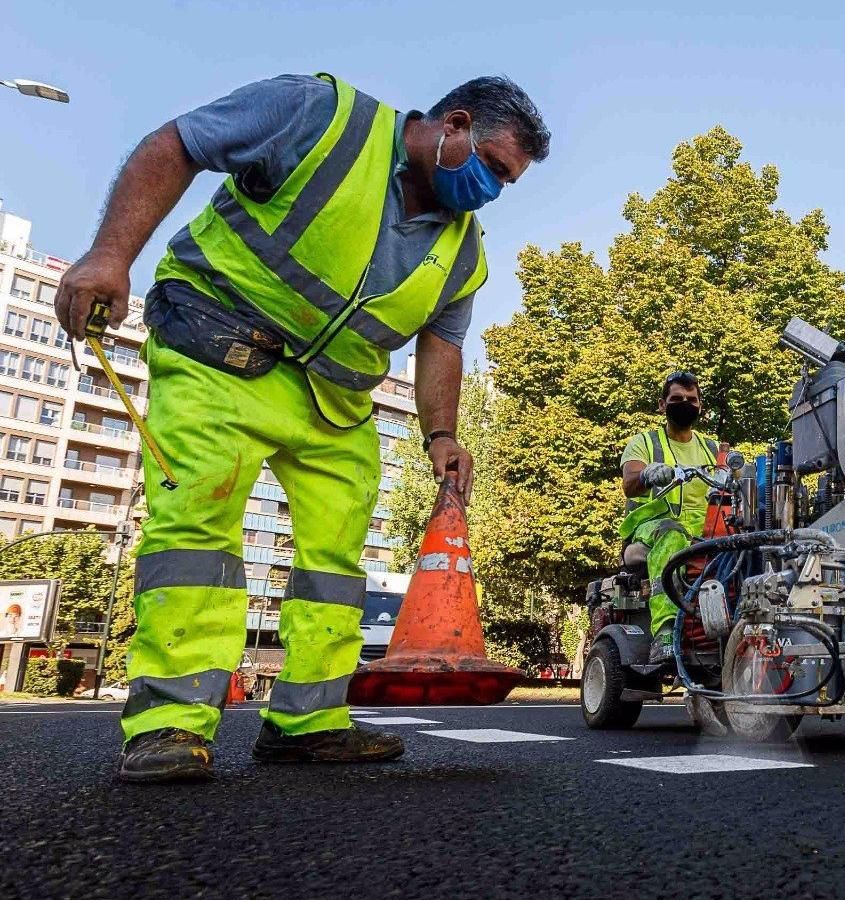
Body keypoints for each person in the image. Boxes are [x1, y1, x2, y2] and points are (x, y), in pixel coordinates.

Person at [55, 73, 550, 783]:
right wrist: (110, 255)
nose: (491, 190)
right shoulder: (320, 116)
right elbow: (177, 144)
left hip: (334, 401)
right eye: (493, 168)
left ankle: (309, 721)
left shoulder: (464, 253)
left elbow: (442, 343)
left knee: (335, 564)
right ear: (456, 125)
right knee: (196, 530)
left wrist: (441, 435)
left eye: (507, 183)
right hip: (219, 352)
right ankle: (170, 722)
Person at [618, 372, 720, 664]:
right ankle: (665, 631)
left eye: (692, 399)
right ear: (662, 404)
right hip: (651, 529)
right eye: (677, 399)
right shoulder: (644, 443)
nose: (685, 403)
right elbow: (630, 483)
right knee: (672, 535)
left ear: (700, 406)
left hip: (702, 533)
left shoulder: (713, 449)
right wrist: (647, 474)